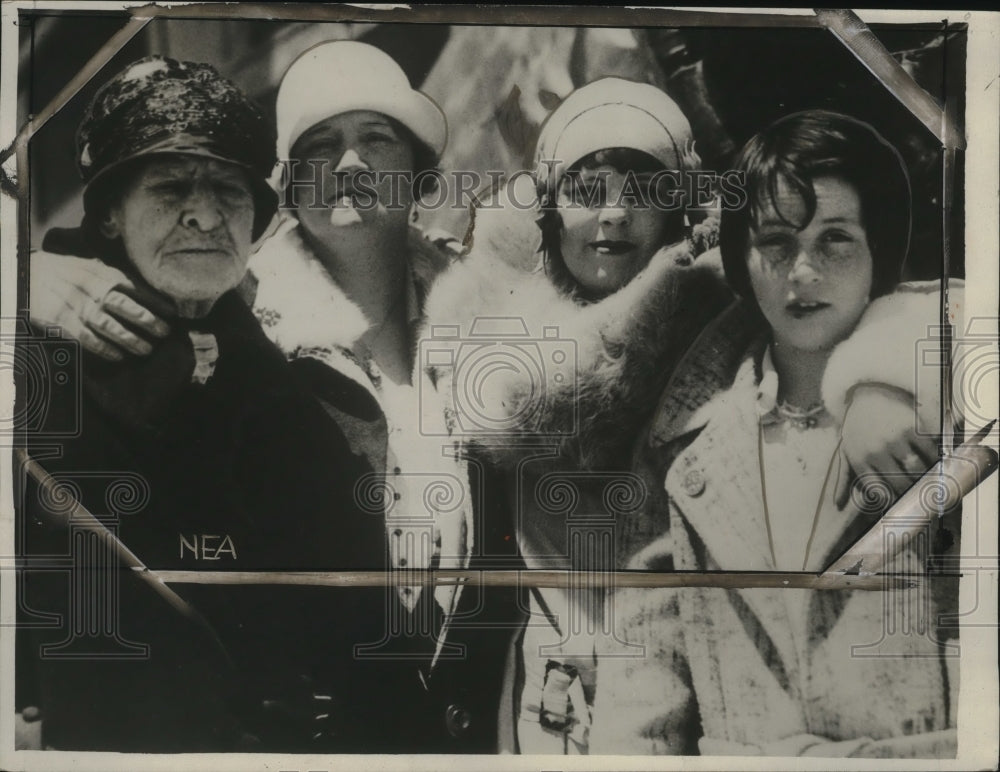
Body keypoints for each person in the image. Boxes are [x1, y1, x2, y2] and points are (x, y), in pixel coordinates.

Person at [25, 41, 522, 753]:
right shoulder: (227, 321)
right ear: (288, 187)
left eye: (377, 137)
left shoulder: (493, 319)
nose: (350, 165)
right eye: (320, 146)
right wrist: (22, 277)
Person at [422, 86, 948, 754]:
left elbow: (905, 306)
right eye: (586, 190)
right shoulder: (490, 324)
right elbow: (530, 408)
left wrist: (877, 375)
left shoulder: (743, 306)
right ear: (549, 208)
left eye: (643, 188)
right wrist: (659, 297)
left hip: (725, 699)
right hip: (559, 704)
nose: (613, 214)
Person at [17, 55, 381, 751]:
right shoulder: (32, 366)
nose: (206, 214)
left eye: (229, 190)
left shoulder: (293, 396)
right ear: (110, 217)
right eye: (172, 185)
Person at [587, 110, 959, 757]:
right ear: (741, 257)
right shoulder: (683, 445)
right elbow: (644, 675)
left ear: (881, 248)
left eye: (836, 238)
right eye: (776, 241)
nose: (804, 271)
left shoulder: (946, 403)